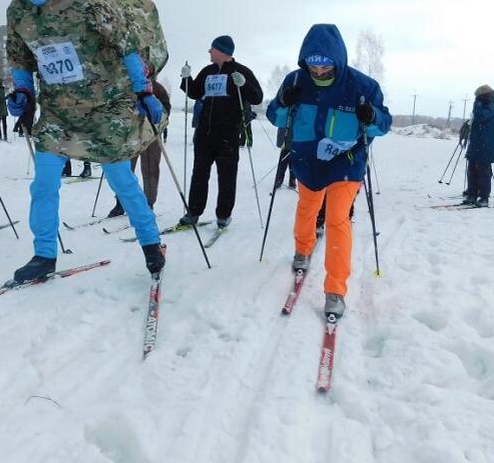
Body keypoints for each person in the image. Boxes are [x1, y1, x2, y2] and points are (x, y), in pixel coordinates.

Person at [5, 0, 167, 282]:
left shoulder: (85, 2)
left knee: (121, 179)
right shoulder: (18, 12)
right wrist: (22, 90)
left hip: (103, 106)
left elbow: (127, 42)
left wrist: (143, 88)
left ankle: (151, 243)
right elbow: (20, 55)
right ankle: (44, 254)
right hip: (58, 110)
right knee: (44, 183)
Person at [266, 24, 391, 319]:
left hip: (346, 161)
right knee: (307, 208)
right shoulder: (295, 80)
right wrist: (284, 101)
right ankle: (303, 249)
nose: (319, 71)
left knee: (337, 219)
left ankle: (335, 290)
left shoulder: (363, 86)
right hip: (308, 158)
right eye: (313, 64)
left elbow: (383, 125)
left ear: (338, 59)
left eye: (325, 65)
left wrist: (371, 116)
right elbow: (275, 116)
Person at [178, 35, 263, 228]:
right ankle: (193, 212)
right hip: (204, 133)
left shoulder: (241, 71)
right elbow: (195, 92)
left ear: (223, 51)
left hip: (228, 135)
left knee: (226, 176)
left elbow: (257, 97)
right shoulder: (207, 71)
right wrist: (186, 79)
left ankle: (223, 215)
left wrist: (244, 84)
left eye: (212, 49)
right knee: (199, 174)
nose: (209, 51)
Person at [107, 80, 171, 216]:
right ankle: (121, 202)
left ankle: (149, 203)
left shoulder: (156, 87)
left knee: (150, 169)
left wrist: (156, 114)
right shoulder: (126, 85)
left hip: (151, 134)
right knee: (125, 169)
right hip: (130, 134)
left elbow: (166, 108)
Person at [463, 84, 494, 207]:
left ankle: (484, 197)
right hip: (476, 142)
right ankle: (472, 194)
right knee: (472, 169)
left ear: (483, 95)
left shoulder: (493, 105)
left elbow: (481, 116)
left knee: (483, 170)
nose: (476, 99)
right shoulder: (482, 105)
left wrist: (477, 105)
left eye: (478, 97)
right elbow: (476, 119)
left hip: (486, 142)